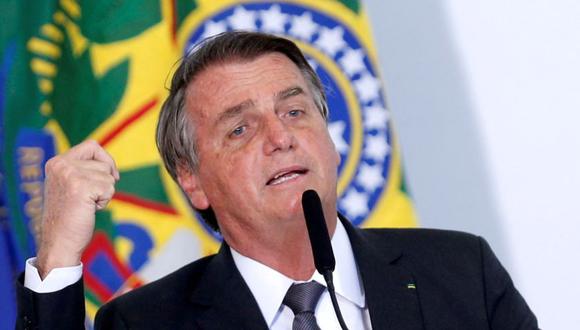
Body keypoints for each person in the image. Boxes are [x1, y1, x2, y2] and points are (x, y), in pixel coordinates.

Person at [16, 31, 538, 329]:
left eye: (294, 112)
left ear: (330, 137)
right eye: (240, 128)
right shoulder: (143, 326)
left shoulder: (463, 276)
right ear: (192, 180)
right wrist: (59, 257)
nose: (280, 137)